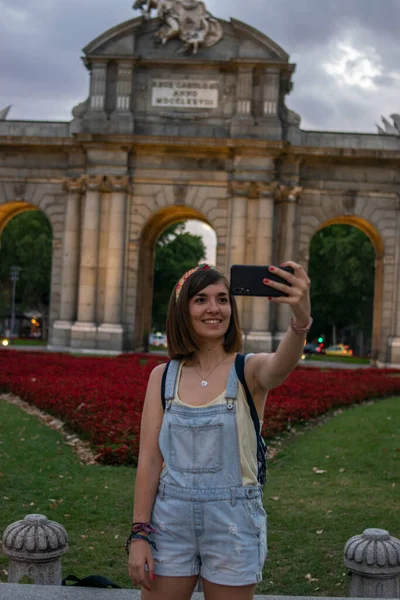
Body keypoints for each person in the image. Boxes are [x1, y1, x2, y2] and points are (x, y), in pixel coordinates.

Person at [127, 261, 312, 600]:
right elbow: (149, 462)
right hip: (169, 521)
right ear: (183, 310)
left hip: (233, 522)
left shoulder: (249, 370)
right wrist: (140, 534)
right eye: (201, 299)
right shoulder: (162, 377)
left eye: (223, 299)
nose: (214, 308)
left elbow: (281, 365)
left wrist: (300, 322)